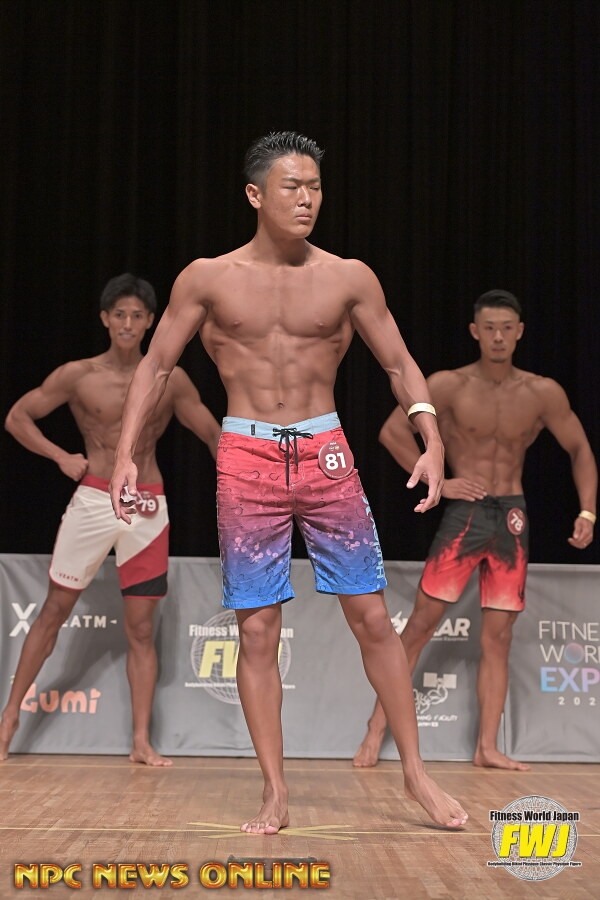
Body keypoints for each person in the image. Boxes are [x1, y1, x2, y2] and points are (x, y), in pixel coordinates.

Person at [109, 132, 468, 832]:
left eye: (315, 187)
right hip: (246, 457)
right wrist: (125, 454)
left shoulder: (349, 277)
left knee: (372, 616)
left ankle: (415, 774)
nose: (307, 200)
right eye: (292, 187)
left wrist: (432, 438)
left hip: (326, 450)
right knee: (257, 629)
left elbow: (399, 364)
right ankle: (275, 789)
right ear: (255, 195)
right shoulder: (207, 278)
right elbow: (155, 366)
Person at [353, 289, 597, 770]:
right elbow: (391, 432)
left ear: (519, 332)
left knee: (498, 638)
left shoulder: (542, 392)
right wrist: (441, 484)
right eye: (489, 328)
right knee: (420, 626)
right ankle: (374, 731)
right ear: (475, 332)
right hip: (466, 515)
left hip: (511, 519)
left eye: (507, 328)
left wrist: (587, 512)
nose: (498, 337)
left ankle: (487, 747)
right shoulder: (448, 385)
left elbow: (580, 448)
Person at [0, 273, 221, 766]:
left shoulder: (170, 379)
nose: (127, 323)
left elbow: (211, 432)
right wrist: (60, 456)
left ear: (150, 322)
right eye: (119, 314)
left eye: (137, 315)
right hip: (95, 497)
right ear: (105, 319)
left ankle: (141, 741)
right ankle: (9, 718)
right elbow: (17, 416)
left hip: (147, 504)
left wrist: (239, 481)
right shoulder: (78, 375)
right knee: (54, 610)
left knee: (140, 629)